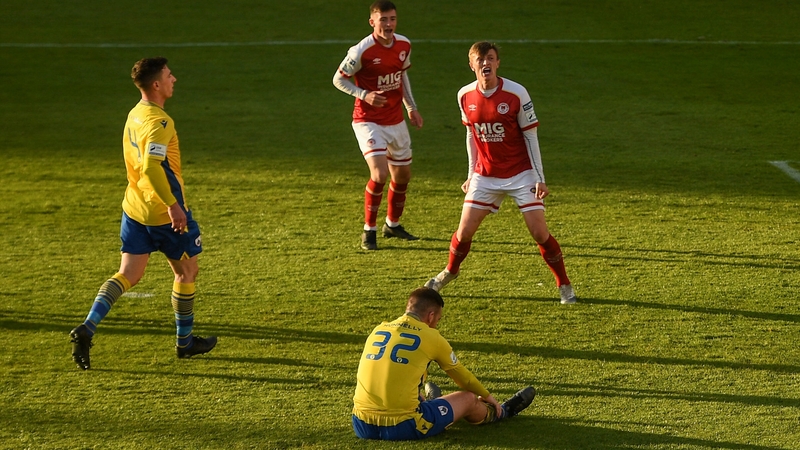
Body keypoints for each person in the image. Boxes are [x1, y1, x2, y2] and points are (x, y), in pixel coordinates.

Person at [69, 57, 217, 370]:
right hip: (163, 214)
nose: (174, 79)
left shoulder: (135, 114)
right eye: (168, 75)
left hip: (134, 209)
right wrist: (173, 206)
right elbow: (151, 167)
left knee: (128, 274)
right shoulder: (160, 123)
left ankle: (87, 327)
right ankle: (185, 342)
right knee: (187, 272)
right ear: (156, 84)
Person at [424, 42, 577, 305]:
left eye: (491, 59)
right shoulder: (464, 95)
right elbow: (471, 134)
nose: (486, 64)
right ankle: (449, 272)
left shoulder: (516, 93)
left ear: (497, 63)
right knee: (463, 233)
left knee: (539, 233)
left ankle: (564, 285)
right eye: (480, 60)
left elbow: (531, 135)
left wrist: (540, 177)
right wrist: (471, 173)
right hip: (485, 175)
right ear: (471, 65)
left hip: (521, 174)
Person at [352, 287, 535, 440]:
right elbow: (464, 378)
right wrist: (487, 396)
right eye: (438, 320)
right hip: (404, 426)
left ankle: (431, 402)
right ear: (431, 316)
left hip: (361, 424)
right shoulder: (431, 337)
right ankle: (501, 412)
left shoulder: (379, 329)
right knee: (469, 399)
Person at [333, 1, 423, 250]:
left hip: (396, 120)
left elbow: (402, 76)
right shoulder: (361, 50)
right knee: (380, 174)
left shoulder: (404, 45)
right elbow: (338, 79)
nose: (389, 24)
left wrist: (411, 108)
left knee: (403, 175)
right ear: (372, 22)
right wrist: (364, 94)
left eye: (392, 19)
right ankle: (368, 231)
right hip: (368, 121)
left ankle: (392, 225)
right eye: (383, 19)